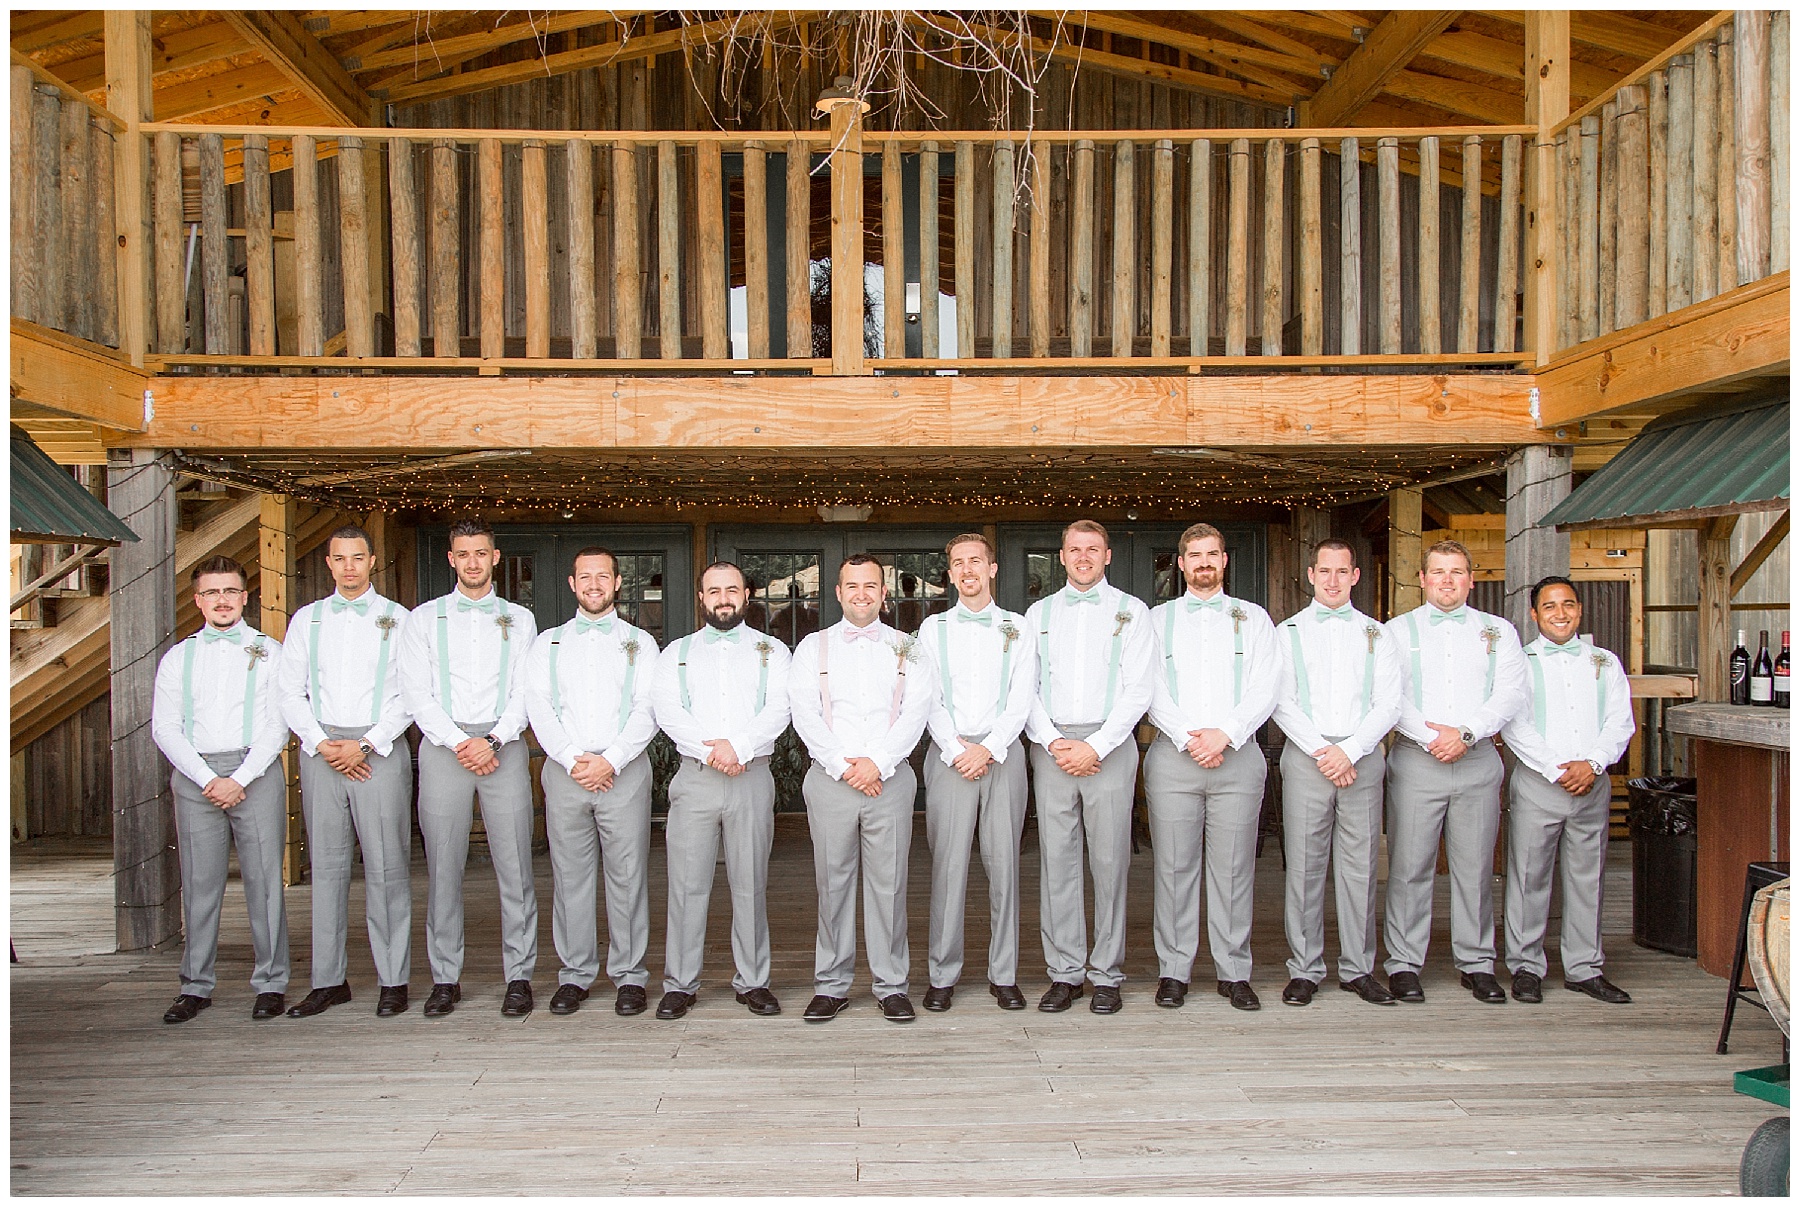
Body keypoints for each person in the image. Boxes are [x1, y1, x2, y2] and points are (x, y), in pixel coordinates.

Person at [397, 518, 539, 1018]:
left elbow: (527, 688)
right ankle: (445, 977)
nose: (473, 562)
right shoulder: (424, 619)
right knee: (443, 866)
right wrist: (462, 742)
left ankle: (519, 975)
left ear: (494, 558)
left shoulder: (520, 619)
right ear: (451, 559)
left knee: (515, 866)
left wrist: (494, 739)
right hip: (445, 747)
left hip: (504, 745)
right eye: (463, 553)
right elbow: (416, 692)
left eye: (481, 553)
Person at [275, 525, 414, 1019]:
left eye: (358, 557)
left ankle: (393, 979)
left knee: (387, 867)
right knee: (328, 868)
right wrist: (320, 743)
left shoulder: (400, 619)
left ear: (372, 561)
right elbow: (289, 690)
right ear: (329, 563)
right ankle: (328, 980)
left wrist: (367, 744)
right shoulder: (307, 620)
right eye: (340, 558)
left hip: (379, 749)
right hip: (323, 751)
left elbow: (412, 693)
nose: (349, 567)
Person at [788, 556, 934, 1023]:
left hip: (888, 778)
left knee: (889, 885)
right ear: (838, 593)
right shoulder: (813, 647)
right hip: (831, 778)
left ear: (883, 592)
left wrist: (879, 763)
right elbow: (804, 712)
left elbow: (916, 711)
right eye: (852, 586)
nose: (861, 594)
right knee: (832, 884)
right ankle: (831, 985)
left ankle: (891, 985)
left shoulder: (908, 647)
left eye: (870, 586)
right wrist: (842, 765)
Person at [1384, 540, 1528, 1005]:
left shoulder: (1498, 632)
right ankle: (1404, 963)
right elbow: (1388, 695)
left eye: (1456, 571)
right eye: (1438, 571)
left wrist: (1465, 733)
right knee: (1410, 866)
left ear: (1471, 579)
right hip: (1417, 758)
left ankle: (1477, 962)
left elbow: (1510, 693)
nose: (1447, 580)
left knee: (1475, 867)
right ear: (1422, 579)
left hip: (1477, 757)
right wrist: (1433, 737)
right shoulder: (1395, 631)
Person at [649, 561, 793, 1020]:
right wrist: (714, 753)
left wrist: (740, 747)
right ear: (701, 597)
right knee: (687, 884)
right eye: (714, 590)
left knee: (750, 882)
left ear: (746, 595)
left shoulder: (773, 651)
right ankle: (680, 983)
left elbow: (780, 708)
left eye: (732, 589)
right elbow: (669, 711)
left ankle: (753, 981)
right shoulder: (676, 653)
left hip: (752, 776)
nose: (724, 598)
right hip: (696, 777)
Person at [151, 555, 291, 1023]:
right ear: (198, 600)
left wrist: (240, 778)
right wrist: (208, 778)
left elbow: (278, 723)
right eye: (212, 592)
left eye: (230, 590)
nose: (222, 600)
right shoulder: (179, 657)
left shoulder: (270, 651)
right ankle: (195, 985)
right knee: (200, 883)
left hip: (256, 772)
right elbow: (165, 727)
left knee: (265, 883)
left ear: (245, 597)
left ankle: (271, 983)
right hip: (197, 777)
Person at [1145, 524, 1279, 1011]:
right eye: (1194, 555)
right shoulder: (1156, 620)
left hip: (1237, 755)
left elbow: (1267, 685)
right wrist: (1188, 736)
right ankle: (1174, 970)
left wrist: (1226, 732)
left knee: (1234, 868)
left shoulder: (1254, 618)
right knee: (1173, 867)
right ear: (1180, 563)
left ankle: (1233, 970)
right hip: (1174, 756)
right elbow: (1148, 685)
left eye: (1212, 554)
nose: (1203, 562)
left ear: (1224, 561)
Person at [1023, 520, 1155, 1014]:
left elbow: (1139, 688)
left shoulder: (1132, 611)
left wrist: (1096, 745)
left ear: (1107, 556)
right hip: (1053, 745)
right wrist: (1054, 741)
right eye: (1075, 549)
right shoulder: (1038, 613)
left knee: (1110, 861)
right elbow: (1026, 687)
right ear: (1062, 557)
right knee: (1057, 862)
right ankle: (1065, 972)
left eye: (1092, 549)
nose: (1083, 557)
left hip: (1110, 744)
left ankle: (1106, 974)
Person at [524, 547, 661, 1018]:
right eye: (585, 577)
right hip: (566, 771)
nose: (594, 584)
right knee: (570, 878)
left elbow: (648, 708)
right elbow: (539, 706)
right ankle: (575, 974)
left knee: (628, 876)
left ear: (618, 583)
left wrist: (612, 760)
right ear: (572, 584)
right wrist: (570, 758)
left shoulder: (641, 643)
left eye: (603, 576)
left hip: (624, 770)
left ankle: (630, 976)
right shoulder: (548, 644)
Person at [1270, 539, 1403, 1007]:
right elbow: (1280, 700)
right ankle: (1305, 968)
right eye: (1324, 571)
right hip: (1308, 757)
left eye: (1341, 571)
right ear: (1311, 575)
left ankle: (1358, 968)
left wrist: (1349, 750)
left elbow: (1389, 703)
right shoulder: (1286, 633)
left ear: (1355, 576)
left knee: (1360, 867)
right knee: (1304, 867)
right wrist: (1323, 752)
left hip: (1360, 756)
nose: (1332, 580)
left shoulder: (1377, 634)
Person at [915, 534, 1038, 1012]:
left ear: (991, 568)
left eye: (976, 561)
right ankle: (942, 974)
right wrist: (955, 749)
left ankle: (1003, 974)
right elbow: (927, 697)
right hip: (950, 756)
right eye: (958, 563)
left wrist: (988, 748)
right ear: (950, 574)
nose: (967, 569)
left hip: (1001, 755)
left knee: (1004, 867)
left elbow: (1022, 696)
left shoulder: (1017, 627)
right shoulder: (932, 629)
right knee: (948, 868)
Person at [1501, 577, 1635, 1006]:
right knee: (1529, 876)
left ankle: (1584, 967)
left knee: (1587, 876)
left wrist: (1593, 763)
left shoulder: (1604, 662)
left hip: (1591, 782)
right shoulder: (1519, 663)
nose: (1560, 613)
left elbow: (1620, 721)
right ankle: (1526, 966)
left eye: (1568, 604)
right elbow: (1514, 724)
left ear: (1579, 610)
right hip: (1540, 782)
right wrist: (1556, 769)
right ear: (1534, 614)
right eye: (1549, 606)